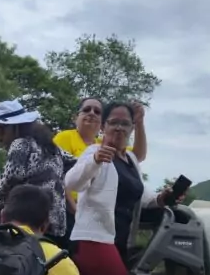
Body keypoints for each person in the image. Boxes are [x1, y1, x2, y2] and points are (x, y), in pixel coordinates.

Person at [64, 101, 176, 275]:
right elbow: (71, 183)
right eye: (113, 122)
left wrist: (161, 198)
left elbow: (143, 197)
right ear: (103, 127)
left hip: (121, 242)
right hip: (94, 240)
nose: (119, 128)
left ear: (132, 128)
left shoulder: (131, 159)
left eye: (124, 124)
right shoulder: (95, 152)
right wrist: (94, 161)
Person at [53, 98, 148, 243]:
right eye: (86, 109)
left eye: (97, 111)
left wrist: (139, 123)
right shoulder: (66, 137)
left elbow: (137, 155)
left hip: (100, 216)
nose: (92, 113)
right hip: (68, 210)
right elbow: (57, 176)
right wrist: (74, 208)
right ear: (75, 117)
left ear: (101, 123)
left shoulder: (104, 146)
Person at [0, 100, 67, 243]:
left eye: (0, 131)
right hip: (54, 223)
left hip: (28, 221)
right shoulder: (50, 147)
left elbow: (5, 188)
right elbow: (73, 162)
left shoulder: (20, 145)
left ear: (13, 127)